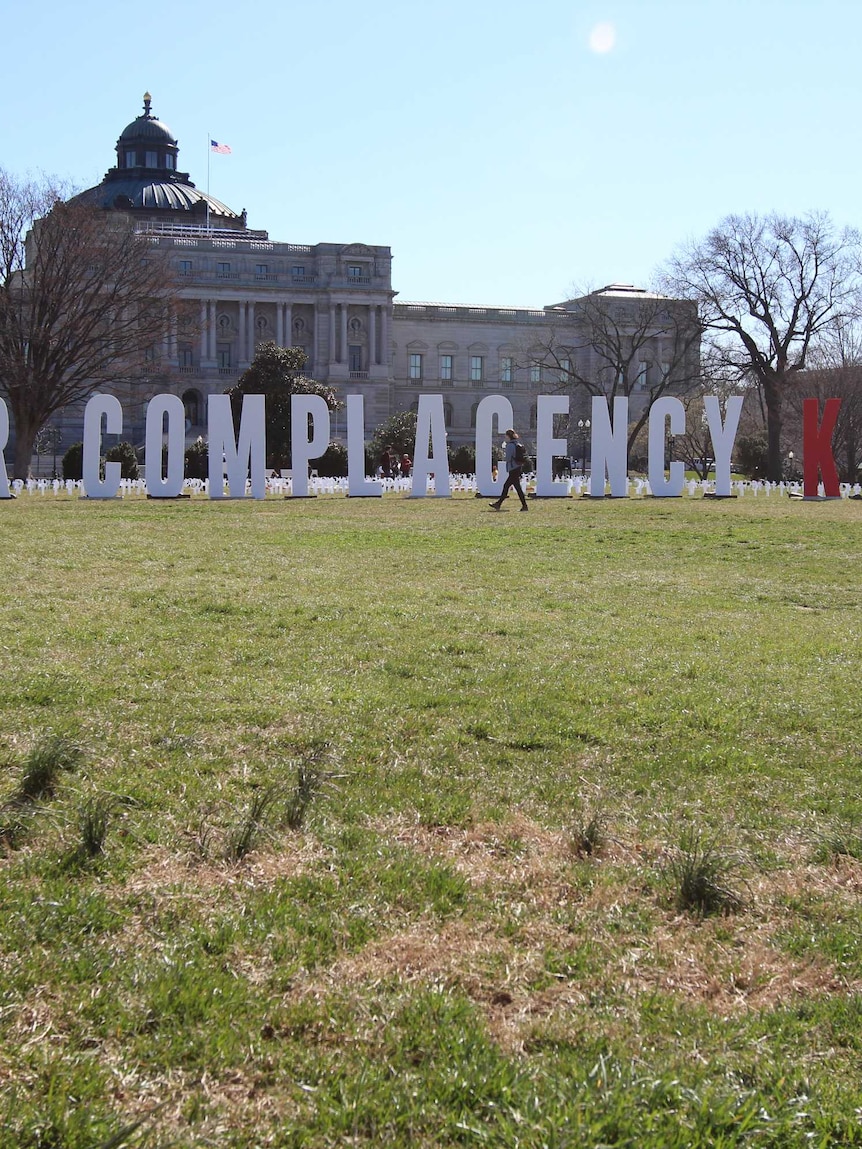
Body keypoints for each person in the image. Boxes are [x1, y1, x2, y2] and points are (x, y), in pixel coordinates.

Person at [489, 429, 528, 511]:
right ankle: (524, 506)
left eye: (506, 436)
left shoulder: (509, 445)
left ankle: (498, 504)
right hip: (517, 466)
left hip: (513, 467)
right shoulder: (517, 443)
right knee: (516, 487)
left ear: (508, 436)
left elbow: (508, 459)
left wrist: (504, 453)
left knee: (507, 486)